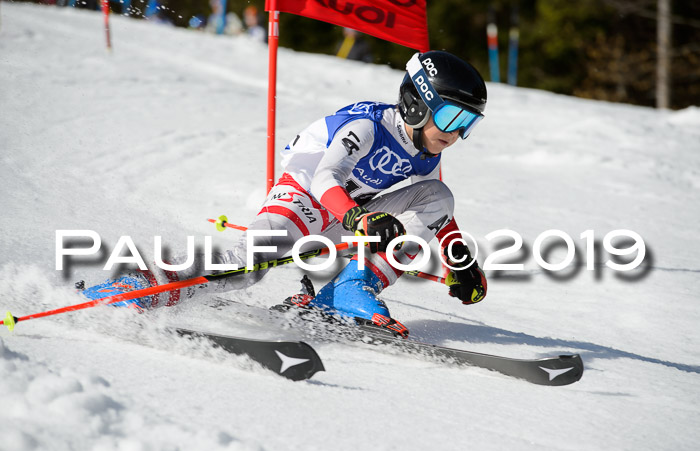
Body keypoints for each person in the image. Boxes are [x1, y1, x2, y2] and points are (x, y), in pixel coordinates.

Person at [82, 51, 489, 336]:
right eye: (451, 116)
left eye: (468, 123)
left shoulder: (426, 150)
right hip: (305, 198)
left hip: (345, 218)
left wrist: (459, 258)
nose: (456, 134)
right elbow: (325, 178)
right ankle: (137, 287)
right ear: (418, 103)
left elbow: (433, 208)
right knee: (248, 265)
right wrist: (360, 219)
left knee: (438, 194)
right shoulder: (369, 126)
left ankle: (347, 291)